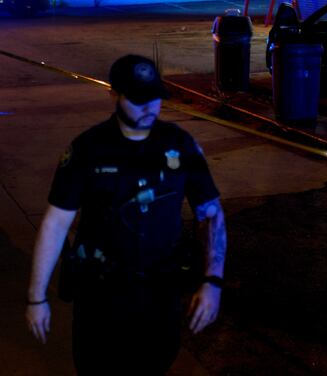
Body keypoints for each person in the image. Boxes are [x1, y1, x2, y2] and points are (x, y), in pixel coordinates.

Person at [25, 54, 226, 375]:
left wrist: (212, 282)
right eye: (138, 99)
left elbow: (211, 214)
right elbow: (55, 223)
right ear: (113, 95)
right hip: (101, 300)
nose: (150, 108)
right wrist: (37, 298)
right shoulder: (88, 149)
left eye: (155, 98)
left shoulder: (179, 145)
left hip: (160, 297)